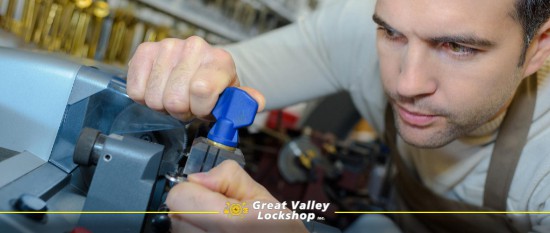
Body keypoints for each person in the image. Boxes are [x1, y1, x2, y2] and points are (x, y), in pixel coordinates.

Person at [126, 0, 550, 232]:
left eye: (459, 47)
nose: (406, 83)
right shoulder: (356, 27)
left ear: (538, 47)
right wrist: (185, 69)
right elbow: (222, 76)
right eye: (392, 33)